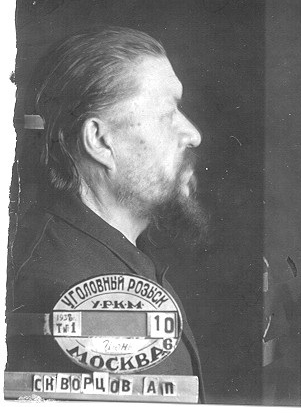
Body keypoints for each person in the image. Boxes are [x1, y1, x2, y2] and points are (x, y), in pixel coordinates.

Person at [6, 26, 208, 402]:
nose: (193, 134)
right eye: (168, 113)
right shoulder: (78, 289)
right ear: (100, 142)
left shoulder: (97, 253)